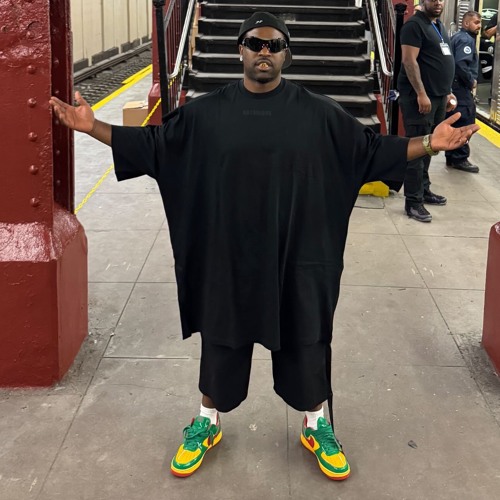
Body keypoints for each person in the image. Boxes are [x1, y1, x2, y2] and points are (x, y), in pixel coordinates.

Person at [50, 11, 478, 481]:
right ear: (241, 49)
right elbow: (154, 146)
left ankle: (316, 424)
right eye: (255, 43)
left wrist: (429, 143)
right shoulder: (205, 114)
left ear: (286, 55)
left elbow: (370, 151)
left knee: (306, 334)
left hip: (298, 254)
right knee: (221, 334)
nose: (264, 52)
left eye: (275, 45)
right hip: (228, 255)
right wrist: (92, 126)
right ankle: (207, 421)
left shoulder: (318, 114)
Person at [397, 0, 457, 223]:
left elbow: (440, 61)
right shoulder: (414, 25)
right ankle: (413, 201)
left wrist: (447, 92)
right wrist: (421, 93)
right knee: (417, 149)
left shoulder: (437, 25)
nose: (438, 2)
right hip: (420, 99)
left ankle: (423, 189)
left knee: (431, 146)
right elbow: (409, 62)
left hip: (439, 97)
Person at [445, 11, 482, 173]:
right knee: (465, 122)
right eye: (476, 22)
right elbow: (461, 64)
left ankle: (452, 155)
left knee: (456, 121)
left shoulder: (457, 37)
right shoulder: (466, 40)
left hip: (455, 87)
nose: (479, 26)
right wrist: (471, 81)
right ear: (466, 23)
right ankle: (460, 158)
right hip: (461, 88)